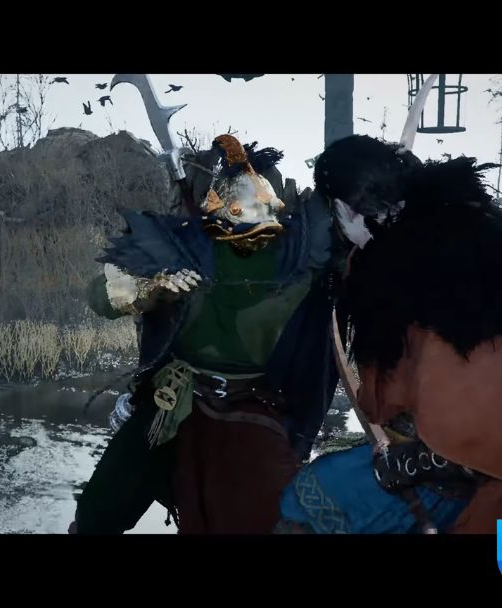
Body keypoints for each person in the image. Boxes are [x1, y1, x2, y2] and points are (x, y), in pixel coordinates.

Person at [277, 135, 502, 535]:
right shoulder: (460, 235)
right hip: (499, 455)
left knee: (308, 499)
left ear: (345, 209)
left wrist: (419, 463)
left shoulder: (418, 270)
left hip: (474, 474)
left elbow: (476, 407)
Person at [72, 134, 342, 534]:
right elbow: (101, 296)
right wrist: (150, 289)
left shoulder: (303, 253)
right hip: (174, 399)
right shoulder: (181, 247)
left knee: (280, 516)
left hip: (259, 401)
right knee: (101, 507)